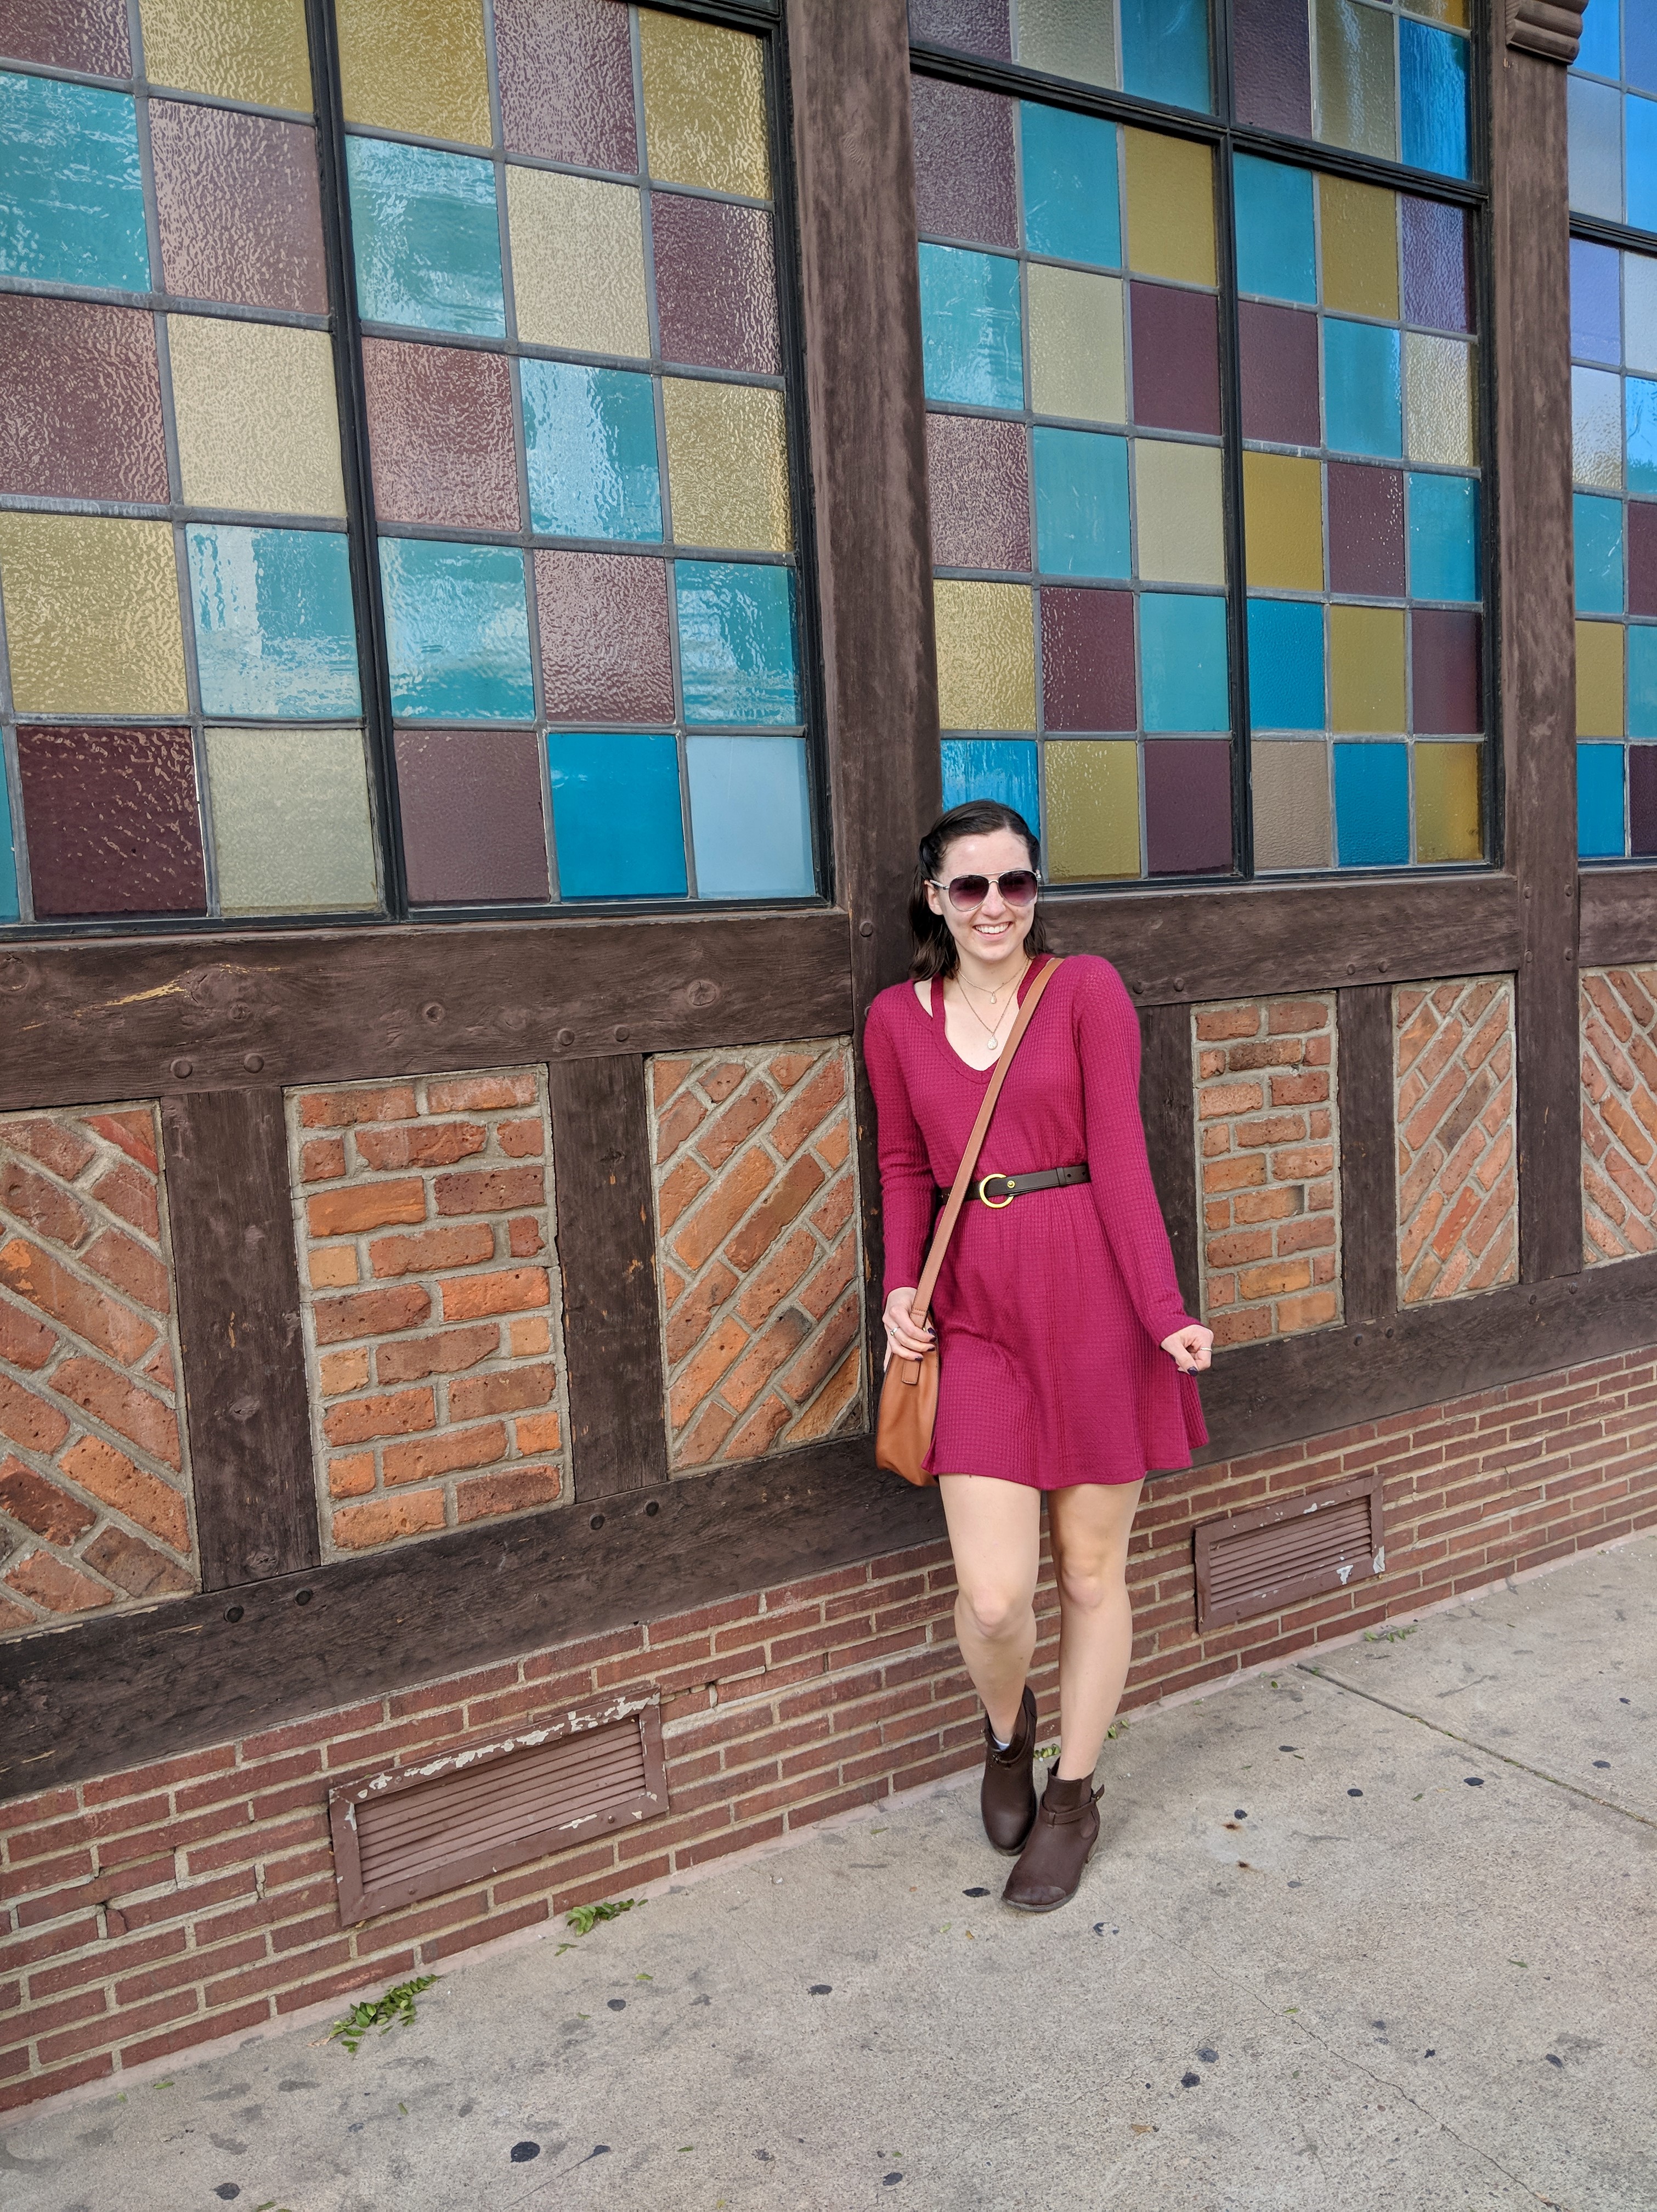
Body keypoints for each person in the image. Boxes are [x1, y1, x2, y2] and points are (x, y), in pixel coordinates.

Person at [862, 799, 1213, 1911]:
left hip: (1095, 1307)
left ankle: (1070, 1793)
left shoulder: (1084, 993)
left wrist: (1162, 1310)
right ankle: (1004, 1735)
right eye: (969, 888)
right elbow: (906, 1170)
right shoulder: (894, 1019)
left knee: (1089, 1571)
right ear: (934, 900)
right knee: (997, 1597)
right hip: (974, 1315)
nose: (995, 909)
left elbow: (1119, 1157)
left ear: (1034, 891)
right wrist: (901, 1291)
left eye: (1014, 884)